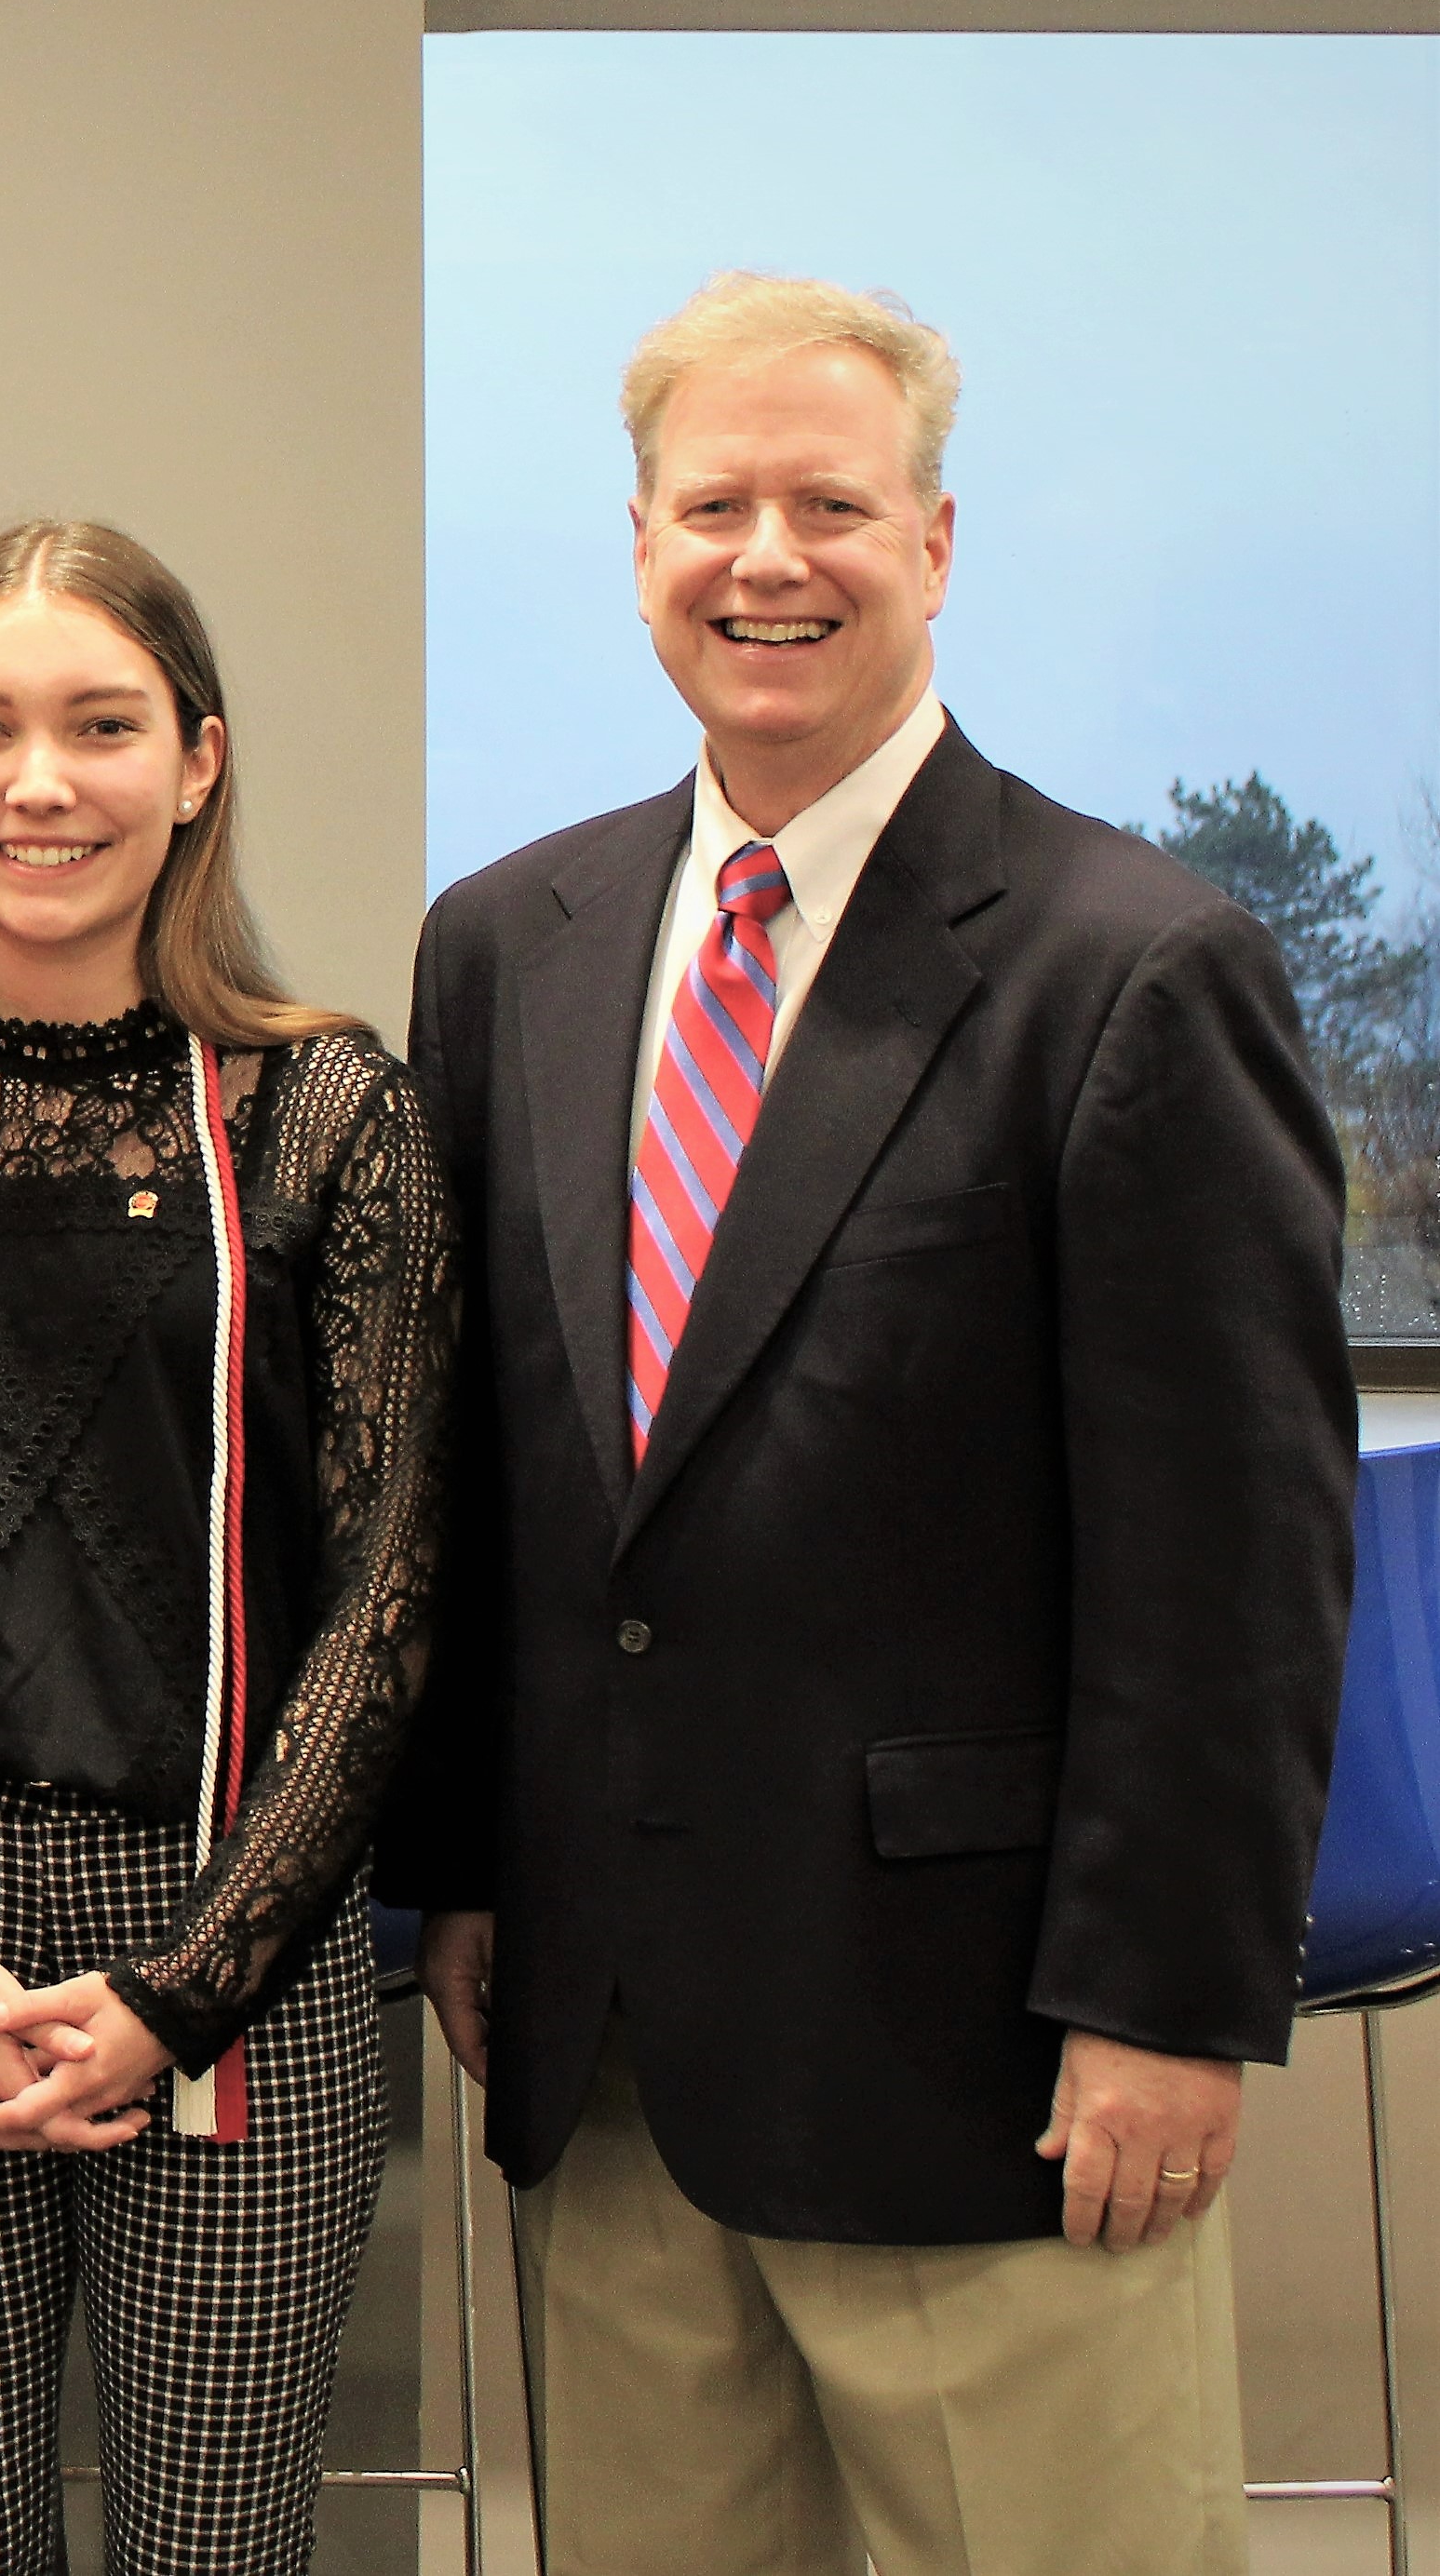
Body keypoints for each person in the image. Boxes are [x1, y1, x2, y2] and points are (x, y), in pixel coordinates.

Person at [383, 274, 1356, 2576]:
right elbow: (496, 1474)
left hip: (994, 2066)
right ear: (636, 545)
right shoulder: (508, 943)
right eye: (713, 504)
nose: (768, 557)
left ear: (935, 539)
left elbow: (1231, 1556)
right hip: (609, 2060)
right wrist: (476, 1869)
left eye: (829, 501)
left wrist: (1162, 2000)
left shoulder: (1135, 964)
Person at [0, 518, 451, 2573]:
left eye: (101, 725)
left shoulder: (328, 1109)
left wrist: (189, 1981)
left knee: (217, 2542)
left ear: (202, 760)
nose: (39, 782)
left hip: (240, 1931)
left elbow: (387, 1603)